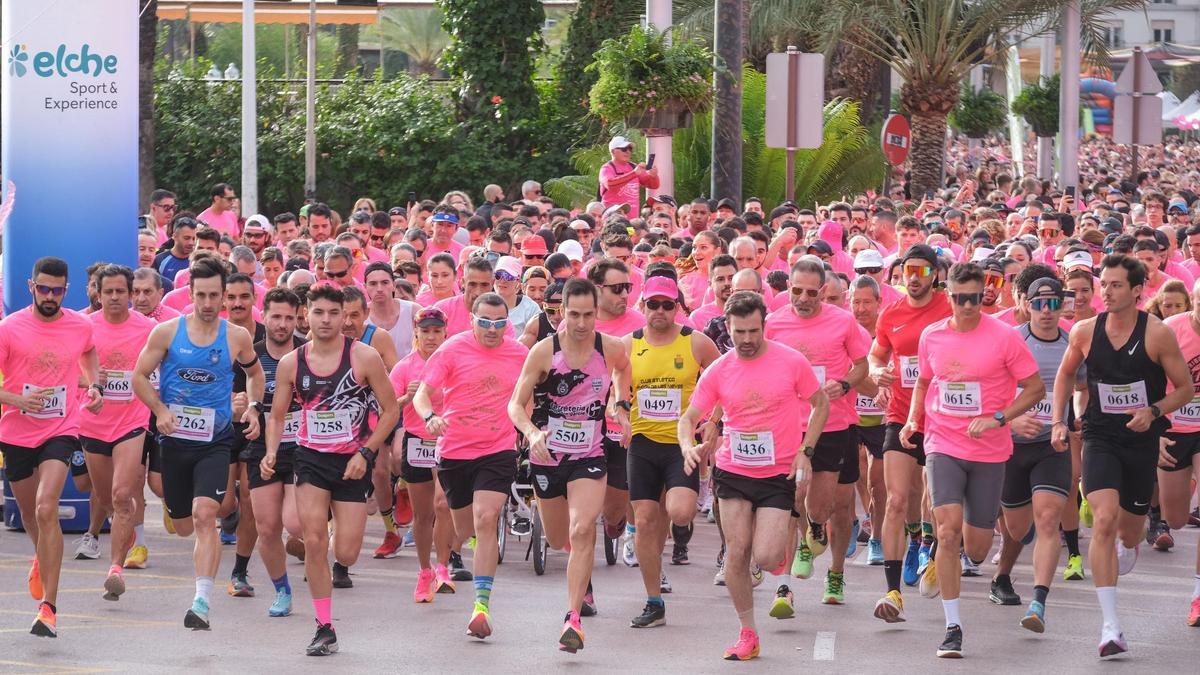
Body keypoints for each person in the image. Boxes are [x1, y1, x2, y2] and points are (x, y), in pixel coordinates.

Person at [900, 261, 1043, 658]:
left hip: (989, 449)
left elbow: (1033, 388)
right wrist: (914, 418)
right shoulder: (932, 336)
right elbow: (925, 381)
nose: (966, 305)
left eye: (974, 298)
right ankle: (952, 626)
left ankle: (955, 548)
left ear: (984, 294)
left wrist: (999, 417)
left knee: (977, 548)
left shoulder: (1004, 337)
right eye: (959, 298)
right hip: (942, 441)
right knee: (947, 531)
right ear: (948, 295)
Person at [1052, 254, 1192, 657]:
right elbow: (1065, 374)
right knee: (1105, 519)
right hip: (1099, 435)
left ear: (1136, 291)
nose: (1106, 292)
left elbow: (1183, 388)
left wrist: (1153, 411)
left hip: (1139, 438)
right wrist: (1061, 421)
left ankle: (1128, 544)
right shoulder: (1084, 331)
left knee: (1129, 532)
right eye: (1104, 284)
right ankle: (1111, 626)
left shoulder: (1157, 334)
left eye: (1115, 285)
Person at [677, 291, 829, 661]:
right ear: (728, 329)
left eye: (754, 331)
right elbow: (688, 418)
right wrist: (687, 447)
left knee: (765, 556)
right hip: (733, 471)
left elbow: (820, 403)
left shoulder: (790, 362)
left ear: (764, 326)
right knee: (738, 550)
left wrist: (805, 452)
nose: (747, 339)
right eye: (740, 331)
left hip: (778, 473)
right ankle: (748, 632)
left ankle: (780, 550)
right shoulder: (719, 369)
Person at [262, 282, 400, 656]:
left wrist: (367, 454)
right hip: (310, 459)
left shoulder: (365, 357)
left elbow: (391, 411)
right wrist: (272, 450)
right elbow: (276, 416)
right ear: (307, 314)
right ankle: (324, 626)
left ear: (344, 317)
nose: (325, 320)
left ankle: (337, 542)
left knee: (349, 552)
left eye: (333, 313)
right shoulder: (293, 362)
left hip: (353, 462)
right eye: (318, 312)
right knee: (315, 542)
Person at [132, 256, 265, 631]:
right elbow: (139, 376)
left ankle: (201, 600)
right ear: (189, 295)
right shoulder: (167, 333)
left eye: (214, 296)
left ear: (223, 297)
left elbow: (255, 374)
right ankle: (201, 509)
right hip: (174, 441)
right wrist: (159, 409)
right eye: (201, 295)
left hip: (215, 441)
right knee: (185, 523)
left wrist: (253, 407)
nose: (208, 303)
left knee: (206, 515)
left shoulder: (236, 336)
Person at [508, 277, 632, 652]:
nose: (581, 324)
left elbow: (623, 370)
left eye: (588, 315)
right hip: (547, 456)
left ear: (598, 313)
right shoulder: (544, 352)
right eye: (573, 315)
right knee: (561, 537)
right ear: (561, 312)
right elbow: (515, 404)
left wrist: (619, 405)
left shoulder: (608, 347)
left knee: (581, 530)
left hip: (590, 455)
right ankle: (580, 582)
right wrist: (532, 434)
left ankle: (573, 618)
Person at [413, 292, 529, 640]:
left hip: (497, 448)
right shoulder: (452, 349)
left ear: (507, 324)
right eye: (484, 322)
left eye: (499, 323)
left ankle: (481, 607)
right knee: (463, 530)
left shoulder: (520, 354)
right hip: (455, 451)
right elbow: (422, 393)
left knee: (486, 517)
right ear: (472, 320)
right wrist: (430, 416)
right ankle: (452, 557)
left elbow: (529, 397)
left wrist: (529, 428)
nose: (492, 330)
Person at [0, 257, 103, 637]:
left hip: (62, 427)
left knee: (47, 507)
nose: (49, 296)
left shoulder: (79, 324)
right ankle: (41, 557)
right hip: (16, 431)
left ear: (66, 290)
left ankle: (49, 608)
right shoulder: (9, 329)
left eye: (57, 290)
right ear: (31, 287)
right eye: (43, 289)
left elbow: (89, 351)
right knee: (30, 515)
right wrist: (16, 399)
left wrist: (94, 386)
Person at [764, 258, 871, 609]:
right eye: (797, 291)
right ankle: (796, 560)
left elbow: (862, 366)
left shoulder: (843, 321)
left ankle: (829, 558)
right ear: (788, 288)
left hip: (835, 423)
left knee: (826, 506)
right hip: (789, 425)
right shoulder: (774, 324)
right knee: (793, 494)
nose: (804, 298)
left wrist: (843, 383)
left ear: (823, 291)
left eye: (812, 292)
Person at [621, 276, 720, 628]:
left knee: (678, 513)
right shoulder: (627, 345)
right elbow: (612, 388)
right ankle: (654, 601)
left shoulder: (695, 342)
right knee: (646, 521)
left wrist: (714, 421)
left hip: (682, 444)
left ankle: (689, 494)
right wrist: (618, 414)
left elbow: (726, 377)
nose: (660, 311)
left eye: (667, 304)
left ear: (677, 307)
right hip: (644, 443)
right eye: (653, 304)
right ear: (643, 306)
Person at [989, 277, 1085, 633]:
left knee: (1047, 521)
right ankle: (1002, 575)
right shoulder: (1010, 340)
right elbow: (990, 389)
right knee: (1018, 527)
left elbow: (1083, 388)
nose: (1047, 312)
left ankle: (1038, 602)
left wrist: (1074, 417)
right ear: (1026, 305)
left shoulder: (1072, 341)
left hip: (1052, 445)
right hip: (1012, 446)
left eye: (1053, 304)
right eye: (1039, 304)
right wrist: (1011, 421)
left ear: (1062, 306)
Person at [868, 244, 952, 623]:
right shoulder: (891, 313)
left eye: (921, 270)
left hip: (943, 417)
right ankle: (892, 592)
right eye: (907, 270)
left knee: (936, 502)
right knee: (896, 501)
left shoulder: (951, 308)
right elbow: (876, 355)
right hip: (901, 414)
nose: (914, 277)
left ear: (935, 274)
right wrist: (876, 372)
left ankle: (934, 553)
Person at [80, 264, 157, 602]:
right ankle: (119, 536)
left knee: (123, 494)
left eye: (120, 291)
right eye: (108, 291)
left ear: (130, 293)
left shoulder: (148, 328)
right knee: (106, 497)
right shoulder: (83, 327)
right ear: (97, 292)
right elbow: (71, 369)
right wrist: (94, 383)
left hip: (132, 422)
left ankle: (115, 569)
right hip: (93, 423)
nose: (114, 297)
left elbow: (161, 368)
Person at [244, 287, 307, 618]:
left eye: (289, 318)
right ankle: (282, 590)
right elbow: (234, 397)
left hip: (302, 447)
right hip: (261, 448)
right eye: (276, 317)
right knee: (267, 528)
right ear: (263, 316)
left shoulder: (308, 354)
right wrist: (246, 409)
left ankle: (317, 528)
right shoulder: (250, 356)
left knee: (295, 524)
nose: (283, 324)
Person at [390, 307, 459, 602]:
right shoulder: (405, 366)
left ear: (445, 333)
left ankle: (443, 566)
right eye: (425, 331)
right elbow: (389, 406)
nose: (431, 337)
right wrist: (408, 396)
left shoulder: (454, 361)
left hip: (449, 441)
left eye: (436, 331)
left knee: (444, 505)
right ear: (416, 333)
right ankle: (424, 571)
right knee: (422, 515)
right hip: (417, 441)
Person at [1158, 280, 1200, 626]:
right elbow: (1146, 381)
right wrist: (1154, 431)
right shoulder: (1171, 329)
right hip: (1173, 427)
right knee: (1175, 519)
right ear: (1192, 301)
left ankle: (1198, 594)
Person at [364, 261, 417, 360]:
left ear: (394, 285)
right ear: (365, 287)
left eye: (385, 283)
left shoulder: (413, 312)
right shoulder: (360, 316)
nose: (379, 289)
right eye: (373, 284)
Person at [599, 136, 660, 215]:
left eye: (630, 149)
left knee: (630, 228)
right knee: (616, 227)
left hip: (632, 222)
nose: (628, 152)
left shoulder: (633, 167)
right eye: (624, 149)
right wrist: (633, 174)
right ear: (613, 151)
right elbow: (610, 184)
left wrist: (653, 176)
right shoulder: (607, 168)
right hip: (613, 221)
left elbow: (653, 185)